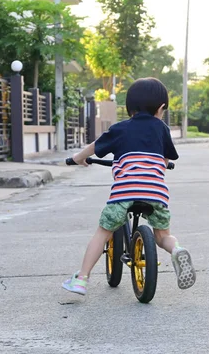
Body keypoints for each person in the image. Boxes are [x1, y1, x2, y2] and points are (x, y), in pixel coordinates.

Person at [62, 77, 196, 296]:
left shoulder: (120, 128)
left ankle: (81, 279)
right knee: (162, 236)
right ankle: (177, 250)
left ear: (130, 106)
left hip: (124, 191)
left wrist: (78, 158)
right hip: (156, 192)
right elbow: (165, 159)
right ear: (161, 108)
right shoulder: (161, 129)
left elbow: (95, 147)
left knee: (103, 233)